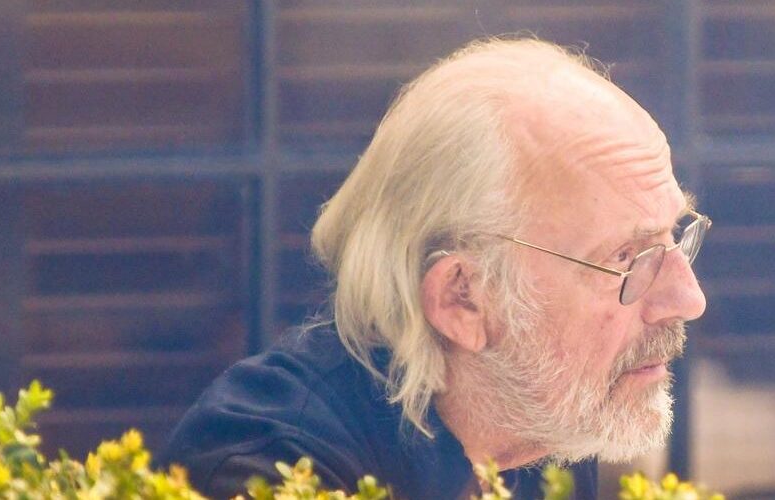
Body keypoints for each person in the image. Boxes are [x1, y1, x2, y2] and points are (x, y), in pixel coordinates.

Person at [163, 36, 709, 500]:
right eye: (626, 259)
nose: (688, 299)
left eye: (674, 236)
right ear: (461, 298)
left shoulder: (540, 424)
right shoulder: (275, 469)